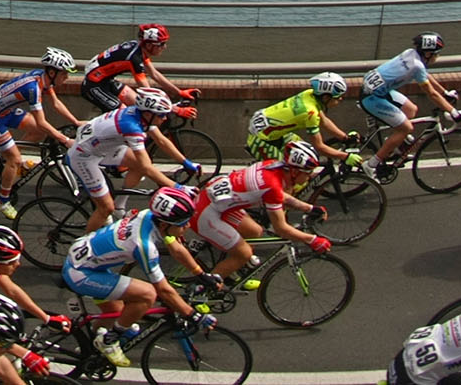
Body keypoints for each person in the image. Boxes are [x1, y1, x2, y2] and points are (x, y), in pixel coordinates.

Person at [60, 185, 208, 368]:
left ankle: (90, 348)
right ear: (164, 225)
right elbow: (163, 290)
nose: (188, 226)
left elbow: (176, 249)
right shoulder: (144, 245)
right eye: (182, 224)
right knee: (147, 294)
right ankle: (109, 340)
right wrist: (193, 315)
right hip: (81, 273)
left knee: (116, 311)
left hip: (88, 262)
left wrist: (201, 274)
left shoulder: (148, 216)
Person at [188, 141, 333, 282]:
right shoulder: (272, 186)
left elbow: (280, 196)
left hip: (216, 203)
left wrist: (309, 208)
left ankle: (233, 269)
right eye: (308, 173)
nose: (310, 176)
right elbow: (281, 229)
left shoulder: (273, 165)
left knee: (254, 231)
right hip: (205, 214)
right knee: (243, 254)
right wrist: (312, 240)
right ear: (295, 171)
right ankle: (202, 290)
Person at [64, 88, 197, 232]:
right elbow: (146, 167)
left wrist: (185, 162)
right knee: (106, 208)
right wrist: (178, 187)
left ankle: (119, 207)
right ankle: (86, 243)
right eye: (162, 115)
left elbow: (161, 140)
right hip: (84, 158)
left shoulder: (139, 114)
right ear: (148, 113)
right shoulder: (131, 127)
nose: (165, 118)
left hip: (100, 147)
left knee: (138, 164)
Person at [0, 49, 83, 221]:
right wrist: (65, 140)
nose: (67, 77)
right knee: (16, 159)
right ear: (52, 72)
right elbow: (41, 121)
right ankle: (3, 200)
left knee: (38, 132)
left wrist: (76, 122)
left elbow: (56, 103)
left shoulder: (43, 79)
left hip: (6, 111)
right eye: (64, 73)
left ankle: (8, 158)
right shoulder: (33, 88)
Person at [362, 32, 461, 179]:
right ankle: (370, 165)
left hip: (377, 90)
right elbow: (431, 94)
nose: (438, 56)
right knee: (406, 128)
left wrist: (445, 93)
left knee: (411, 110)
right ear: (427, 54)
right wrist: (453, 112)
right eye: (436, 53)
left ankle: (394, 142)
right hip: (372, 98)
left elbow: (425, 75)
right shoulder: (417, 66)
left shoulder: (410, 54)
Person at [78, 24, 198, 113]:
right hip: (93, 85)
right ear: (149, 45)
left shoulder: (139, 49)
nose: (165, 47)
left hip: (106, 81)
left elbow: (154, 74)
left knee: (135, 102)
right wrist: (175, 109)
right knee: (124, 115)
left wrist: (179, 92)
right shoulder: (134, 58)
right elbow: (147, 92)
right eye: (161, 44)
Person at [247, 73, 354, 164]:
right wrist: (345, 156)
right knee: (284, 172)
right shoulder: (310, 113)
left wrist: (345, 137)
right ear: (325, 97)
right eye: (337, 97)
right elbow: (319, 146)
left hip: (267, 129)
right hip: (260, 140)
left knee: (306, 158)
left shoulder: (309, 94)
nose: (341, 99)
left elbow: (324, 121)